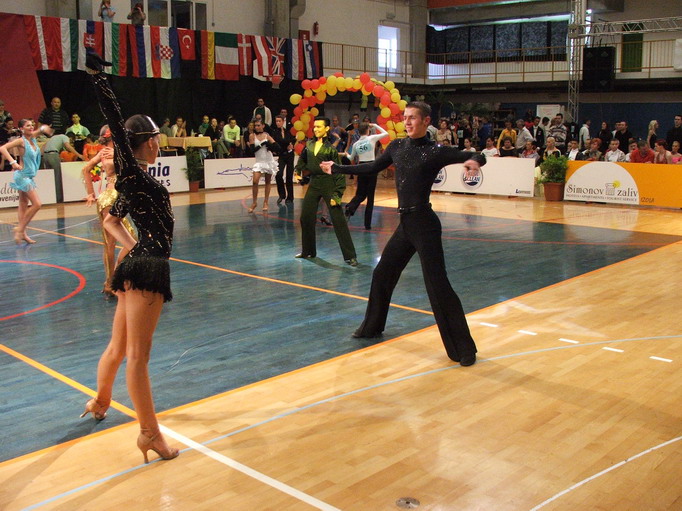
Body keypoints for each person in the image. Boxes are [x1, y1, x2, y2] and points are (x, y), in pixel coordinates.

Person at [320, 101, 484, 366]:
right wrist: (337, 168)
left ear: (426, 121)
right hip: (405, 224)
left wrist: (474, 161)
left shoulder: (435, 151)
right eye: (405, 117)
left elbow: (476, 155)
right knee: (382, 274)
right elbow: (371, 168)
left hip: (425, 224)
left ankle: (464, 349)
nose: (407, 122)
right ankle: (371, 327)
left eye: (412, 118)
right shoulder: (396, 147)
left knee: (438, 285)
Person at [81, 52, 179, 464]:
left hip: (134, 265)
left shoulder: (132, 183)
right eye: (155, 138)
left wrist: (130, 246)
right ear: (148, 141)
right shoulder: (133, 174)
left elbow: (110, 220)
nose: (158, 143)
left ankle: (100, 402)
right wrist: (98, 77)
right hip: (148, 268)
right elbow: (117, 125)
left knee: (119, 347)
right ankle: (149, 434)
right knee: (138, 358)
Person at [82, 125, 137, 297]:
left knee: (130, 240)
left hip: (117, 198)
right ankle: (110, 283)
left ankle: (114, 278)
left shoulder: (117, 151)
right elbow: (86, 169)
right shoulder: (107, 152)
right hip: (110, 199)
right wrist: (90, 193)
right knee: (111, 244)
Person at [295, 117, 357, 266]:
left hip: (329, 184)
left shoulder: (331, 149)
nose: (316, 129)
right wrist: (297, 171)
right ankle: (308, 251)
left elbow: (339, 172)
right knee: (306, 217)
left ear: (327, 129)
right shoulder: (309, 144)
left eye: (319, 127)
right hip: (314, 183)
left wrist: (337, 194)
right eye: (315, 126)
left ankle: (350, 256)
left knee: (338, 220)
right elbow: (302, 161)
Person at [0, 120, 53, 244]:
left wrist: (44, 129)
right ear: (21, 129)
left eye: (32, 125)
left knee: (23, 203)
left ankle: (23, 233)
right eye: (28, 125)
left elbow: (40, 130)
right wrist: (13, 162)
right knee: (37, 204)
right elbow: (3, 148)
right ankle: (20, 229)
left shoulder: (32, 138)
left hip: (29, 176)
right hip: (22, 176)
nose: (31, 127)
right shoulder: (21, 141)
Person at [343, 122, 388, 230]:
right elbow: (386, 133)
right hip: (372, 167)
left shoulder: (356, 144)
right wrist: (375, 125)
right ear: (368, 130)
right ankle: (367, 224)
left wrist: (346, 154)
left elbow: (351, 158)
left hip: (361, 168)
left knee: (360, 193)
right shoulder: (371, 138)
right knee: (370, 197)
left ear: (359, 132)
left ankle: (350, 206)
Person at [247, 119, 279, 213]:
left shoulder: (266, 135)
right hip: (259, 161)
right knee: (255, 181)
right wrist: (261, 144)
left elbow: (277, 147)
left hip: (268, 160)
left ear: (263, 126)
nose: (256, 127)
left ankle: (266, 202)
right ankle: (254, 202)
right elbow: (252, 150)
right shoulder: (252, 136)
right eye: (255, 126)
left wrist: (270, 145)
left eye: (258, 125)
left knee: (267, 181)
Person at [42, 132, 84, 202]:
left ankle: (50, 198)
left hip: (45, 156)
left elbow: (43, 146)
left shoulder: (54, 137)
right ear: (70, 138)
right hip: (53, 155)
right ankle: (59, 199)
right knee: (57, 177)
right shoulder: (65, 137)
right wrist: (79, 155)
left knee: (49, 178)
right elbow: (68, 146)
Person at [272, 115, 295, 204]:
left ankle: (290, 197)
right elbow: (278, 142)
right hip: (282, 155)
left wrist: (291, 145)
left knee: (289, 176)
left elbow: (292, 139)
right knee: (278, 174)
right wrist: (287, 144)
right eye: (276, 121)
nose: (278, 123)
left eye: (279, 121)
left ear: (283, 121)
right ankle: (282, 195)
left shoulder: (287, 131)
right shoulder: (275, 133)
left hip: (290, 155)